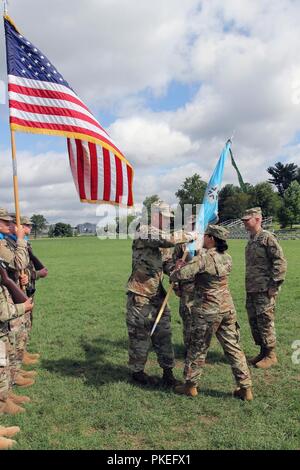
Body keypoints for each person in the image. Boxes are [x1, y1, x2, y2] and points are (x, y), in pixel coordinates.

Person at [170, 224, 253, 400]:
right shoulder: (227, 257)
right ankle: (245, 388)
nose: (203, 238)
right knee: (233, 347)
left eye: (206, 235)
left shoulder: (204, 258)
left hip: (207, 310)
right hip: (227, 308)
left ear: (212, 239)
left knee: (198, 348)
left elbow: (179, 275)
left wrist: (178, 267)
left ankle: (190, 385)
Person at [126, 200, 196, 387]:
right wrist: (189, 234)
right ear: (155, 215)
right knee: (140, 333)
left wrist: (175, 269)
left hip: (157, 292)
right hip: (140, 292)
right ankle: (137, 373)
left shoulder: (163, 237)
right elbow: (168, 239)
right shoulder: (144, 230)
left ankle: (168, 371)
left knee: (164, 331)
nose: (167, 221)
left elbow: (166, 263)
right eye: (165, 218)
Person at [242, 207, 287, 368]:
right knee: (255, 322)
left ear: (258, 219)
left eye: (247, 220)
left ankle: (271, 355)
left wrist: (274, 285)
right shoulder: (252, 238)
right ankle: (262, 351)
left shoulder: (267, 238)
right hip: (252, 289)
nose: (244, 223)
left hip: (264, 290)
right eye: (243, 220)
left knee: (265, 321)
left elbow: (280, 262)